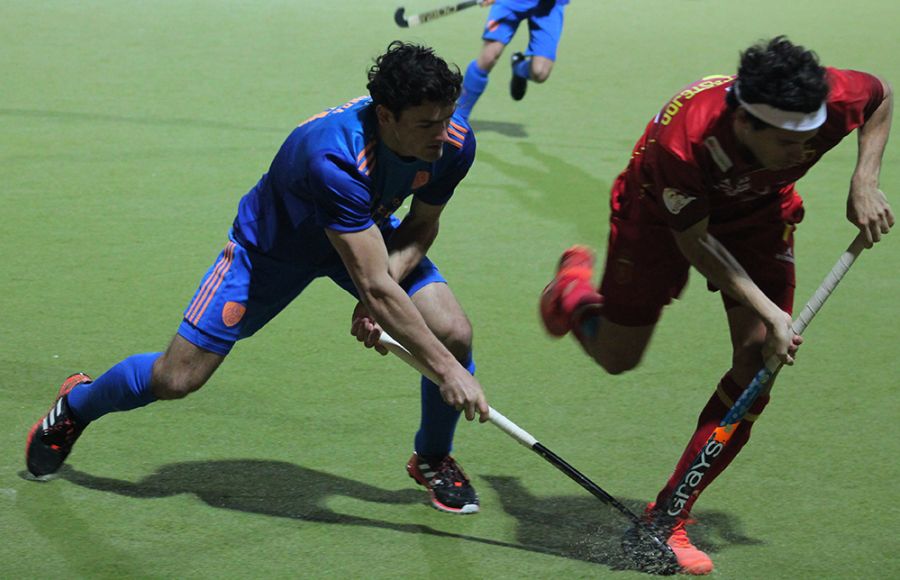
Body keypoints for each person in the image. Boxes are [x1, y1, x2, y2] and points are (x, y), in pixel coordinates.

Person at [26, 41, 491, 516]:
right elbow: (373, 285)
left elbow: (420, 225)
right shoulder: (335, 157)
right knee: (178, 377)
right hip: (271, 250)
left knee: (452, 332)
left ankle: (432, 456)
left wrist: (386, 299)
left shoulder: (452, 142)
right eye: (426, 124)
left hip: (365, 233)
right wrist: (443, 367)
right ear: (387, 116)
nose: (441, 134)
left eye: (446, 117)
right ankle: (78, 403)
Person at [539, 36, 893, 574]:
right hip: (661, 218)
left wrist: (864, 178)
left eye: (813, 134)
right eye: (790, 141)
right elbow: (696, 242)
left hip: (758, 209)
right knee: (618, 356)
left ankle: (666, 518)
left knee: (758, 363)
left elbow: (881, 96)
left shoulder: (828, 98)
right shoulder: (682, 145)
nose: (806, 151)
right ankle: (573, 297)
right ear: (747, 124)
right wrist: (772, 311)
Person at [455, 0, 569, 122]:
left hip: (549, 6)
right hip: (512, 3)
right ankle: (458, 117)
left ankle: (519, 68)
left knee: (540, 73)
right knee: (488, 58)